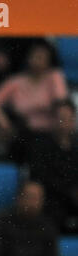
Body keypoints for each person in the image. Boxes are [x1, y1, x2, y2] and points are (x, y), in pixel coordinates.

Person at [0, 41, 68, 135]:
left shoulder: (55, 77)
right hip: (23, 133)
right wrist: (5, 124)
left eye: (41, 57)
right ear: (27, 58)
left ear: (50, 60)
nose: (37, 61)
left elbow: (62, 103)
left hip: (50, 133)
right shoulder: (15, 81)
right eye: (34, 57)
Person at [25, 99, 78, 233]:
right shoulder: (41, 146)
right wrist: (69, 191)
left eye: (68, 118)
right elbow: (39, 177)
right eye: (61, 118)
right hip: (51, 202)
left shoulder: (76, 146)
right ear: (53, 120)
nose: (64, 122)